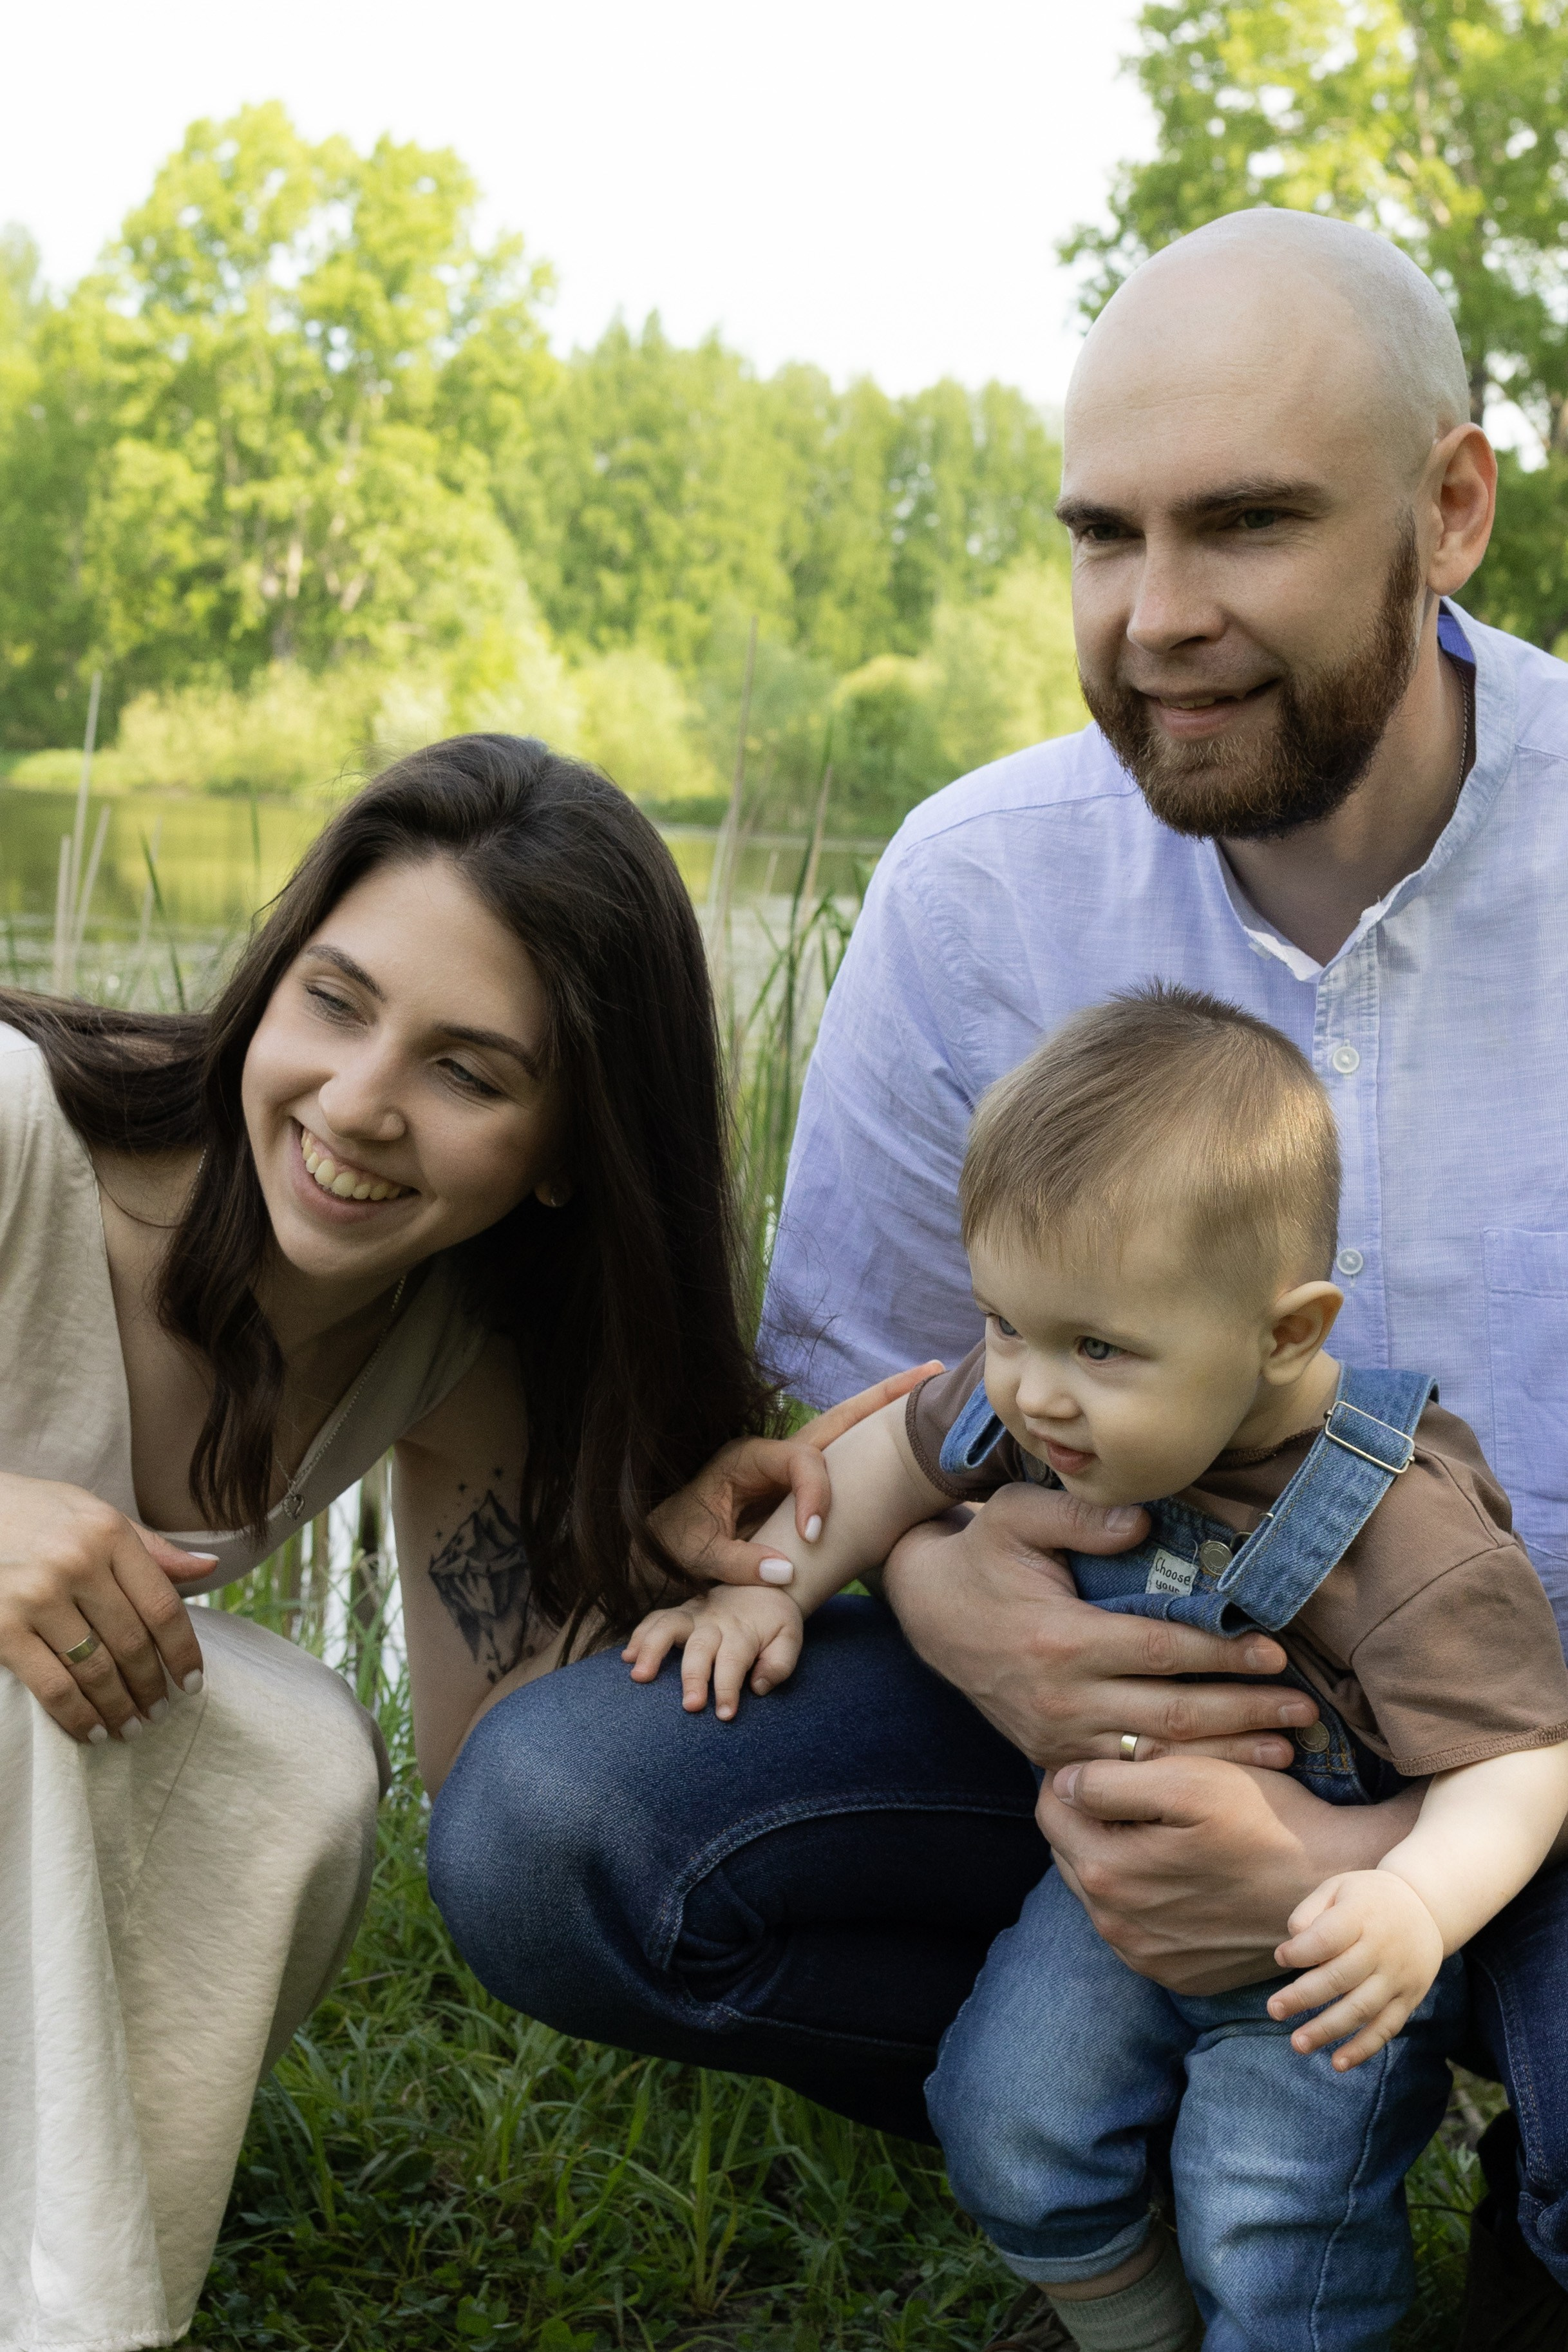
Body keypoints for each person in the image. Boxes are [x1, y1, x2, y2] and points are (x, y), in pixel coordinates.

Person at [428, 209, 1568, 2341]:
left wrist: (1362, 1868)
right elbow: (864, 1408)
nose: (1156, 621)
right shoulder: (973, 886)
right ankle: (1095, 2163)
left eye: (1242, 524)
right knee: (558, 1815)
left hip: (1529, 1758)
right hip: (1113, 1717)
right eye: (1100, 535)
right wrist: (963, 1615)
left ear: (1447, 509)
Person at [0, 734, 893, 2351]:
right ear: (272, 980)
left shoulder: (446, 1327)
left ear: (570, 1153)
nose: (357, 1104)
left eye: (467, 1072)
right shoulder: (14, 1129)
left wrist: (673, 1550)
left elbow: (498, 1757)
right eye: (336, 1002)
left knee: (293, 1743)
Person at [623, 987, 1568, 2349]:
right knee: (1003, 2115)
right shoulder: (1051, 1392)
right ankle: (1133, 2325)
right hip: (1115, 1882)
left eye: (1097, 1349)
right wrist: (774, 1588)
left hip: (1324, 1940)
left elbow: (1522, 1754)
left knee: (1273, 2215)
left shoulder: (1403, 1524)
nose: (1029, 1388)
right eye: (1004, 1321)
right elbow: (895, 1452)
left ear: (1288, 1331)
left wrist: (1409, 1903)